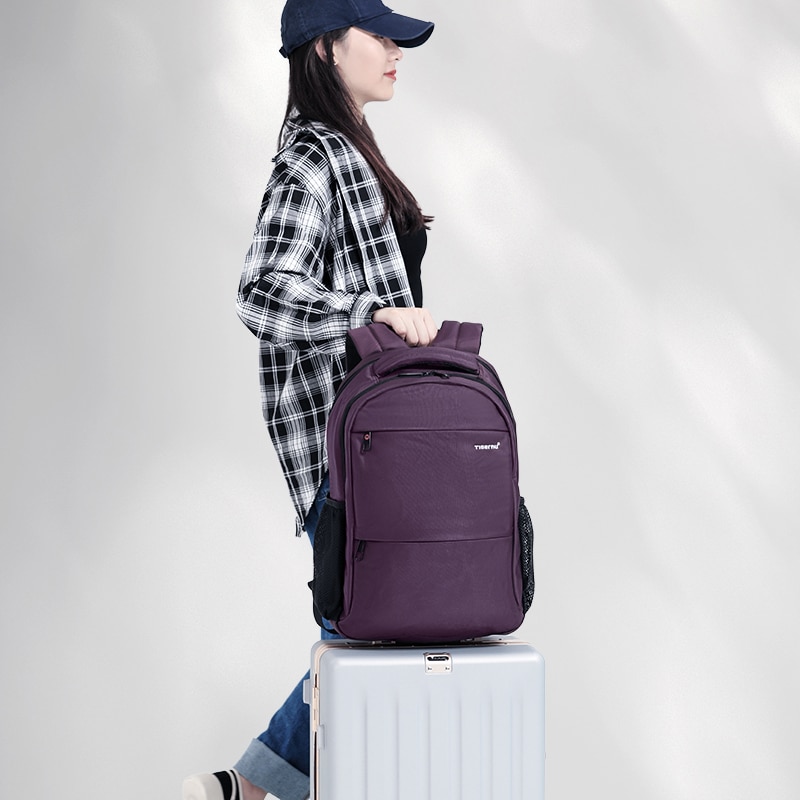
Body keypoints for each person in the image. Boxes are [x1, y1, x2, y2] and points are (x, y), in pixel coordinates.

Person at [182, 1, 436, 799]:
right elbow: (262, 290)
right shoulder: (312, 161)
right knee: (367, 630)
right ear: (325, 48)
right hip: (350, 450)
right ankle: (253, 787)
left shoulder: (350, 150)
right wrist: (368, 313)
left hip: (383, 445)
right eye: (377, 35)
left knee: (373, 630)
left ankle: (247, 787)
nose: (396, 49)